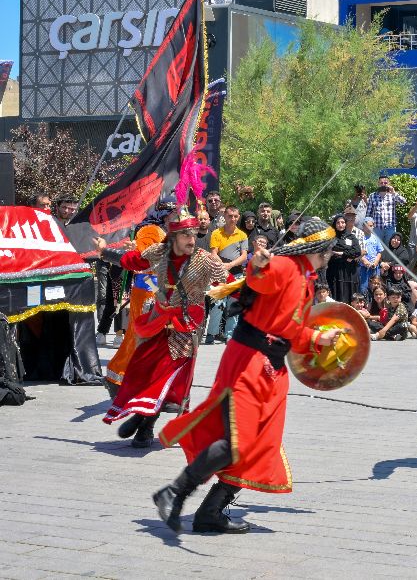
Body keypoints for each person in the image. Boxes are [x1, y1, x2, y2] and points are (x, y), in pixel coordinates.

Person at [154, 218, 344, 534]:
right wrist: (257, 264)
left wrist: (316, 339)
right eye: (329, 250)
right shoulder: (284, 266)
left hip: (272, 367)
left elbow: (288, 326)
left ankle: (210, 513)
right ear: (319, 249)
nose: (330, 255)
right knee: (237, 442)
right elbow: (258, 279)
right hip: (250, 362)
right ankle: (174, 492)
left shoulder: (304, 277)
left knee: (260, 444)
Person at [95, 209, 227, 448]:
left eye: (194, 234)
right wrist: (105, 252)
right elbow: (132, 261)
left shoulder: (205, 259)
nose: (192, 240)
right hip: (157, 321)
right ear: (174, 236)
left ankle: (145, 424)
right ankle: (141, 417)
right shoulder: (159, 251)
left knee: (165, 375)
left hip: (185, 327)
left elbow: (227, 285)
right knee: (143, 369)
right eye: (186, 235)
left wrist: (259, 271)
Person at [104, 206, 169, 395]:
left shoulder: (167, 232)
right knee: (140, 333)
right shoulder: (151, 230)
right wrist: (160, 292)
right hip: (149, 286)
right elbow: (144, 260)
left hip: (157, 287)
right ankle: (119, 375)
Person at [207, 206, 248, 344]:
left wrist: (230, 265)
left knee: (234, 305)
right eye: (230, 216)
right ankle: (211, 334)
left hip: (236, 275)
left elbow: (244, 256)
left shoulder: (242, 235)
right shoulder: (216, 233)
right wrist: (223, 267)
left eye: (235, 216)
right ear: (224, 215)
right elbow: (214, 253)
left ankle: (230, 335)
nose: (233, 219)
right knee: (218, 304)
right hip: (220, 274)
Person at [325, 214, 361, 303]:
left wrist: (342, 253)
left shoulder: (351, 237)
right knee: (336, 293)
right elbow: (329, 250)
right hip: (335, 271)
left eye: (343, 222)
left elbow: (357, 251)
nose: (341, 225)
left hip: (349, 272)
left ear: (345, 224)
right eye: (338, 223)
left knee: (350, 294)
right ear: (334, 224)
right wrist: (349, 255)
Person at [368, 175, 406, 244]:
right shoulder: (372, 196)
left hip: (390, 228)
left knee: (390, 248)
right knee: (377, 248)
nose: (383, 185)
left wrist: (394, 192)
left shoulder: (393, 195)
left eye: (385, 183)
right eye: (381, 183)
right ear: (378, 184)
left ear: (389, 184)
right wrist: (369, 225)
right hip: (377, 228)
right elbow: (368, 213)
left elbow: (403, 202)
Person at [358, 218, 383, 294]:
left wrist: (376, 261)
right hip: (363, 267)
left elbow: (379, 251)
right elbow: (357, 252)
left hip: (374, 267)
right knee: (363, 287)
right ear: (363, 226)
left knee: (376, 286)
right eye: (367, 226)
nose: (369, 228)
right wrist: (364, 261)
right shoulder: (359, 237)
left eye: (371, 226)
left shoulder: (375, 237)